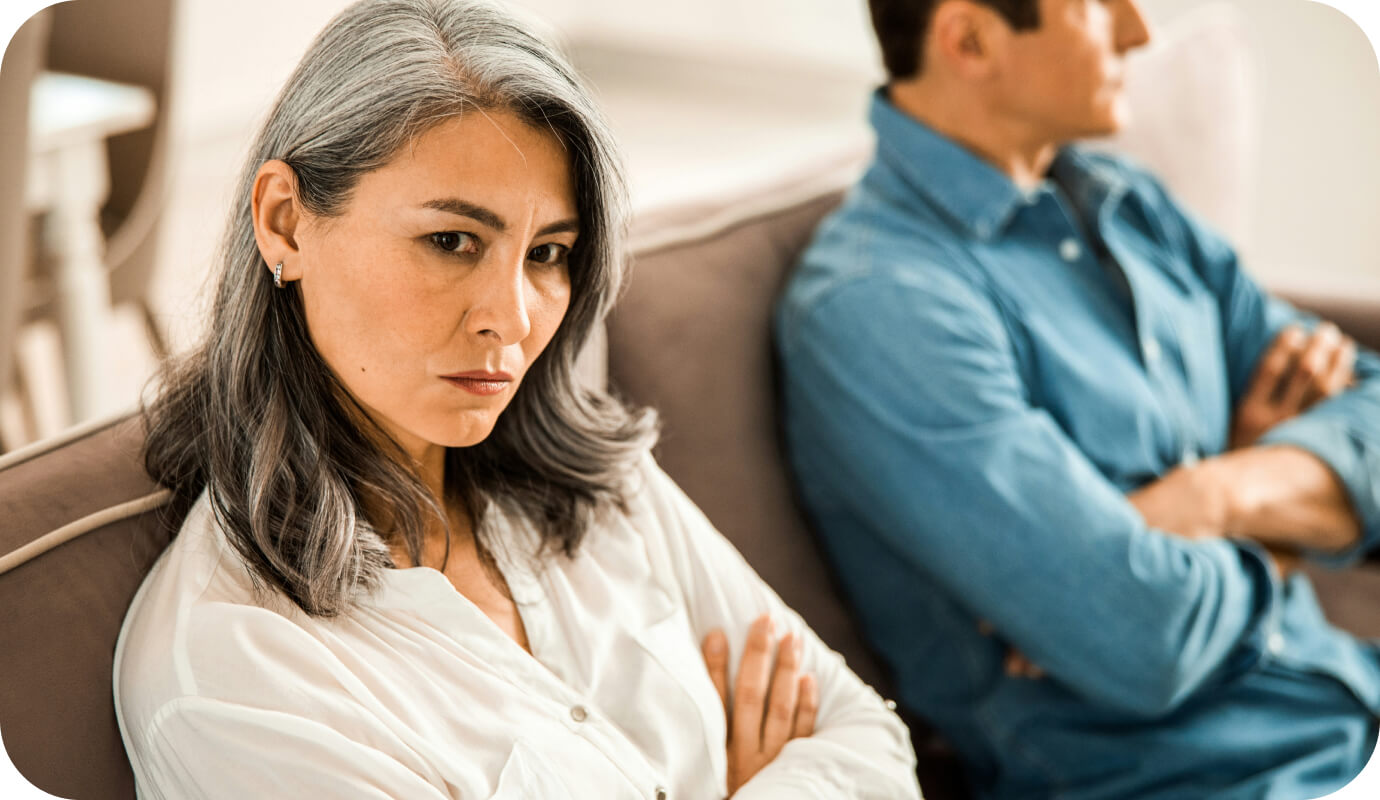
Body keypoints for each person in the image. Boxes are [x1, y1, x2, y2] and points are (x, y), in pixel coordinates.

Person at [112, 1, 921, 797]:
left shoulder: (601, 483)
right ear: (285, 222)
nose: (512, 317)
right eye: (452, 241)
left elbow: (869, 743)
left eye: (548, 252)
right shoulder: (236, 679)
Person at [775, 0, 1380, 797]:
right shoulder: (881, 303)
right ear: (971, 40)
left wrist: (1217, 491)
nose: (1137, 32)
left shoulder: (1124, 202)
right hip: (1205, 775)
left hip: (1344, 697)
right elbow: (1140, 635)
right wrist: (1290, 529)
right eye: (1096, 7)